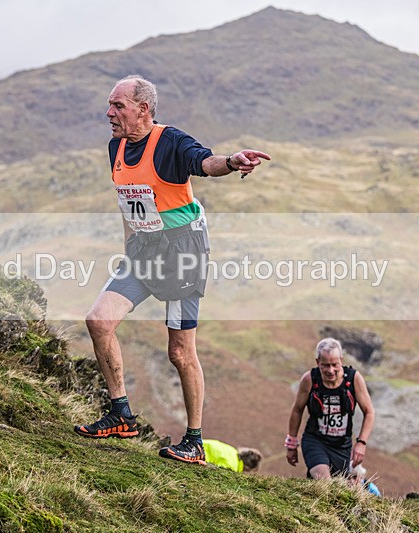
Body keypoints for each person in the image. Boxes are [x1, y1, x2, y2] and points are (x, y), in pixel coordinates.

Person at [74, 75, 271, 464]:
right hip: (143, 250)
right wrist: (129, 244)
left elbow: (206, 163)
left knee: (180, 352)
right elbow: (128, 200)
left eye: (118, 106)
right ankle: (121, 415)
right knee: (98, 320)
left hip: (183, 251)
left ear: (143, 109)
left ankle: (194, 441)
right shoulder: (115, 147)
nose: (109, 113)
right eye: (110, 105)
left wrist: (232, 162)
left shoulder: (171, 142)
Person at [285, 337, 375, 479]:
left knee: (339, 489)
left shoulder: (354, 379)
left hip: (342, 446)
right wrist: (291, 443)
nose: (330, 370)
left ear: (342, 361)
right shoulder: (309, 380)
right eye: (325, 365)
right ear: (317, 362)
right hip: (315, 440)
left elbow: (369, 412)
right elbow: (297, 410)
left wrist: (361, 443)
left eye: (335, 365)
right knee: (325, 482)